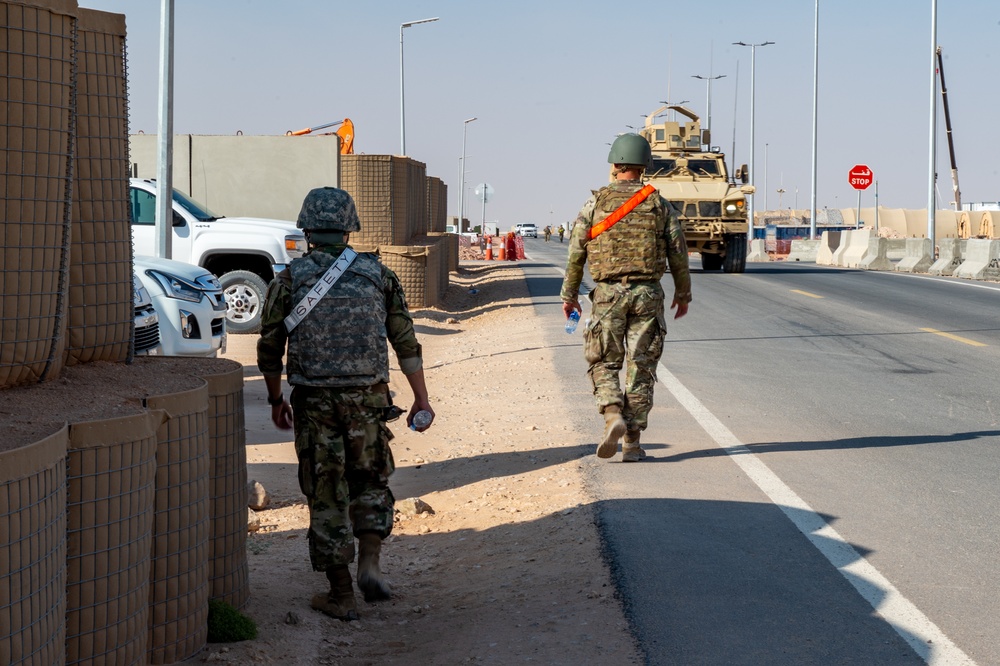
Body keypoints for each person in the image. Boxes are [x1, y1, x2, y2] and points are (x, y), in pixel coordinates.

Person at [257, 187, 434, 621]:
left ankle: (340, 594)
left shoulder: (290, 279)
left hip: (314, 400)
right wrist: (421, 399)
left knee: (326, 493)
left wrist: (276, 398)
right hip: (368, 398)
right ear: (350, 227)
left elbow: (269, 347)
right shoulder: (378, 274)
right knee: (371, 481)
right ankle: (370, 563)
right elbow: (405, 341)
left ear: (307, 229)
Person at [559, 133, 691, 462]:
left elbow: (576, 252)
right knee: (641, 368)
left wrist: (570, 295)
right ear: (644, 165)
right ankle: (632, 441)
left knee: (603, 361)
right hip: (648, 294)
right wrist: (683, 293)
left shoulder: (595, 203)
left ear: (615, 164)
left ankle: (611, 414)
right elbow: (678, 252)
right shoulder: (659, 204)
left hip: (607, 295)